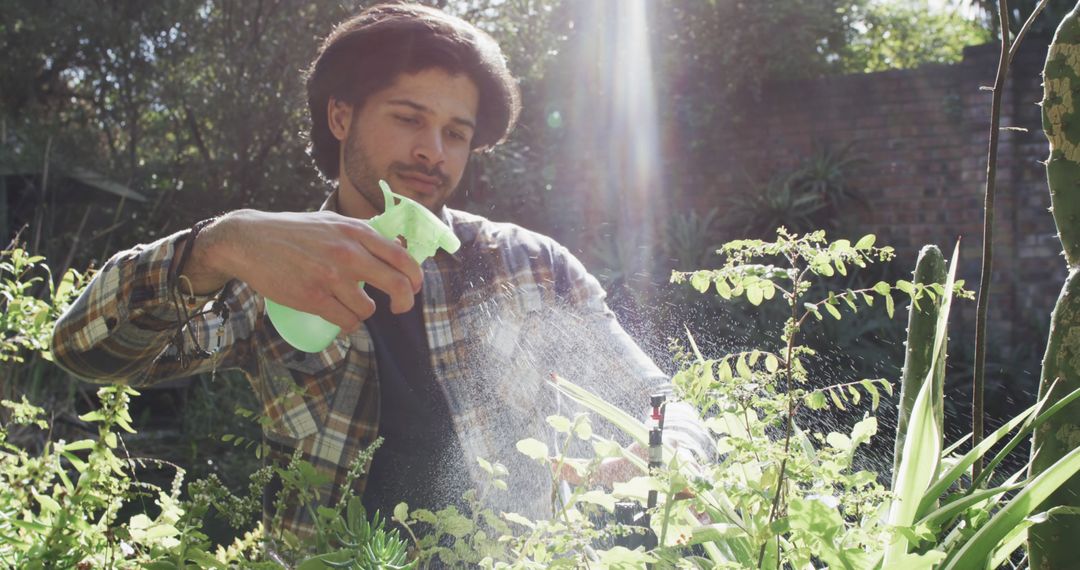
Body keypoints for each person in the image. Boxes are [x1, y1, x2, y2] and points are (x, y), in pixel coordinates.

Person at [52, 2, 708, 540]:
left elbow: (653, 401)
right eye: (408, 118)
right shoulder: (268, 266)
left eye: (457, 132)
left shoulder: (528, 267)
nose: (433, 150)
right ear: (342, 116)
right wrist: (216, 245)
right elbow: (87, 350)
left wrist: (675, 450)